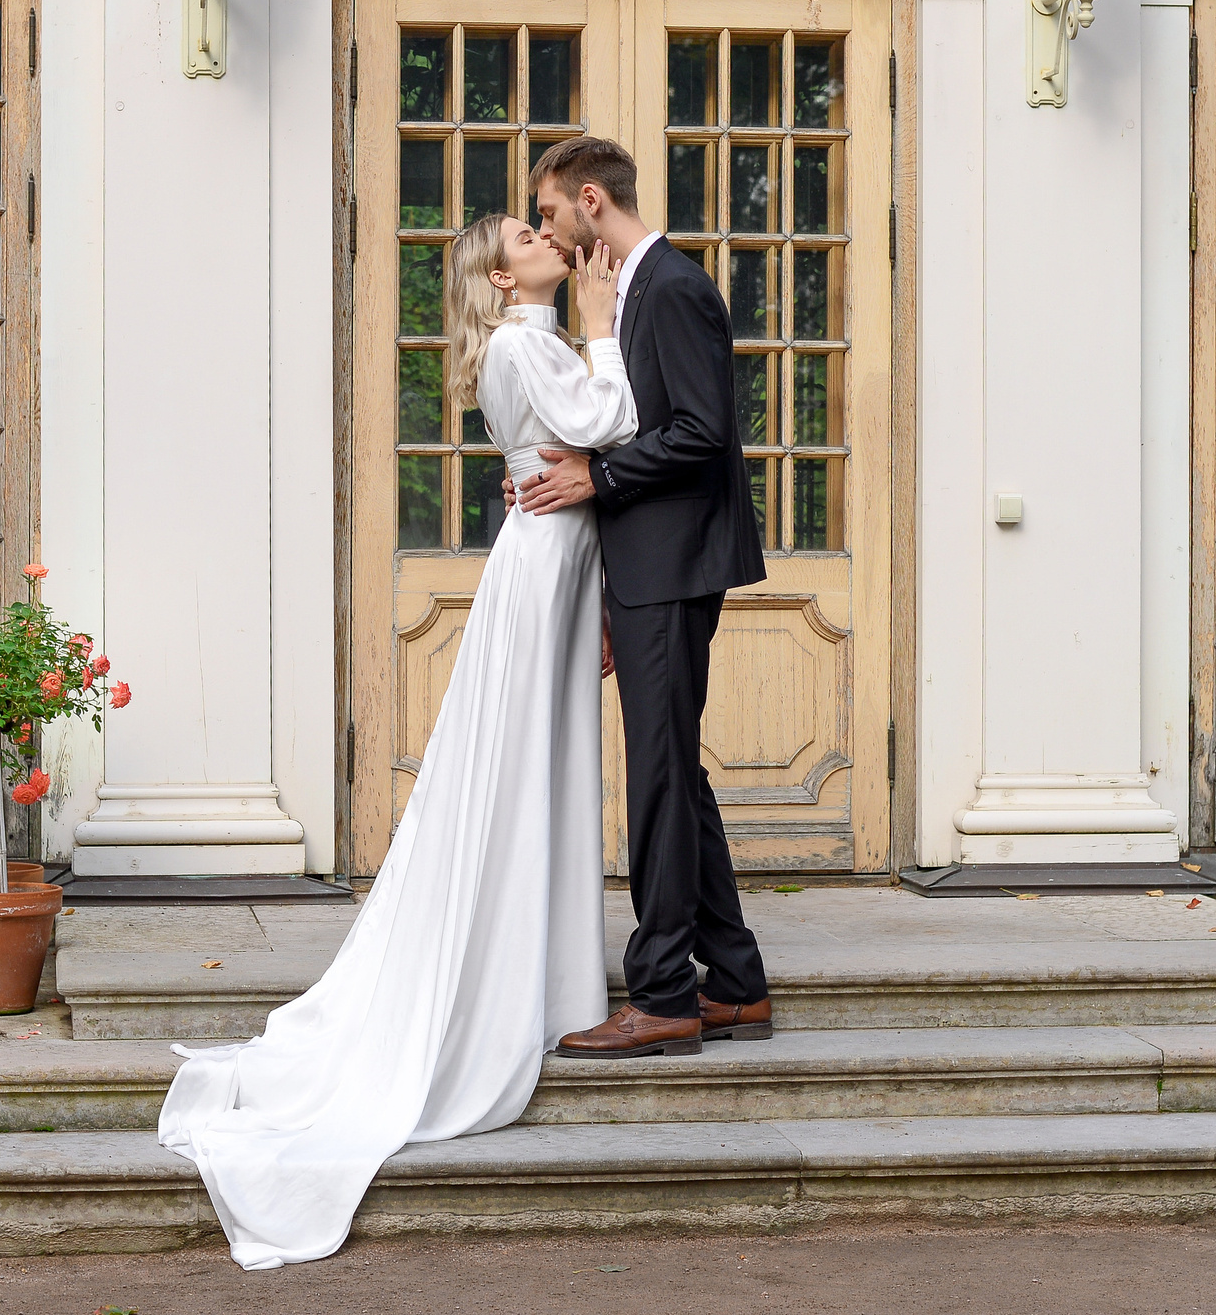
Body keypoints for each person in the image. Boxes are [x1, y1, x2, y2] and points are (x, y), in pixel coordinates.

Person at [157, 215, 632, 1271]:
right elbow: (610, 416)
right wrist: (602, 325)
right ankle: (511, 982)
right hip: (544, 557)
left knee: (544, 775)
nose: (550, 230)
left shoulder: (532, 339)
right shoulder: (524, 342)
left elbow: (590, 439)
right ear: (503, 274)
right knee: (516, 772)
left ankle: (550, 979)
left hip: (559, 558)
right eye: (527, 229)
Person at [520, 135, 772, 1059]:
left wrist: (598, 477)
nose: (544, 228)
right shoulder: (627, 292)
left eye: (548, 211)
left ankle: (665, 992)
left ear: (591, 200)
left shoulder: (672, 288)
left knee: (660, 777)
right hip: (644, 569)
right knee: (677, 773)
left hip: (674, 566)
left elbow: (704, 433)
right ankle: (735, 983)